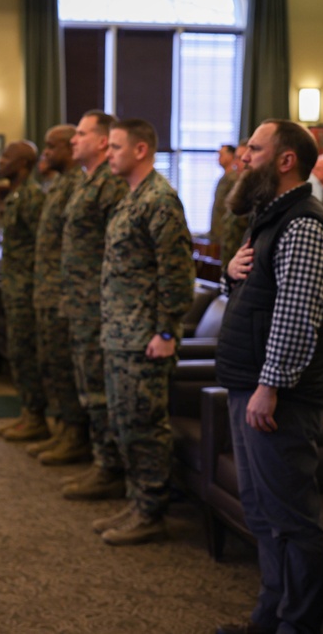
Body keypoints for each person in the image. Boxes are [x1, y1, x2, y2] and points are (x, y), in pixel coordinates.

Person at [214, 119, 323, 634]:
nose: (243, 157)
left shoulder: (304, 224)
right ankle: (270, 615)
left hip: (278, 395)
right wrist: (230, 274)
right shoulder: (270, 218)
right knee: (262, 513)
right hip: (252, 384)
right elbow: (258, 303)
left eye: (254, 149)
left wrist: (270, 386)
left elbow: (296, 313)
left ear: (285, 161)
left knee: (291, 519)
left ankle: (297, 623)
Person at [94, 118, 195, 545]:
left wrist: (166, 332)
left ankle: (152, 510)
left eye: (115, 147)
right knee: (124, 424)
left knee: (145, 427)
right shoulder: (130, 198)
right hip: (120, 334)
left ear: (140, 150)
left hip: (146, 339)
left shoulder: (160, 199)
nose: (108, 154)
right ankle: (137, 502)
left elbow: (176, 274)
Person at [56, 110, 129, 493]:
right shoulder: (88, 182)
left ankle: (109, 467)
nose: (73, 140)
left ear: (103, 141)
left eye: (82, 134)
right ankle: (99, 459)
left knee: (99, 388)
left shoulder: (111, 186)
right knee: (87, 384)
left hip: (99, 305)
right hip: (79, 301)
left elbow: (116, 250)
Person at [22, 125, 88, 460]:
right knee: (52, 365)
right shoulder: (60, 183)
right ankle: (62, 428)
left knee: (63, 366)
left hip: (63, 293)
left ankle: (74, 436)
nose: (44, 154)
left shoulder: (79, 183)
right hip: (47, 290)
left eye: (51, 147)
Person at [0, 140, 49, 441]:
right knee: (18, 352)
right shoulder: (14, 194)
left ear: (24, 164)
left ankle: (36, 417)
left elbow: (41, 246)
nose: (1, 161)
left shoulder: (31, 197)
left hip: (27, 288)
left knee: (27, 353)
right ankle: (28, 412)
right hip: (13, 286)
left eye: (7, 157)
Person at [220, 141, 251, 271]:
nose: (237, 162)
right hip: (230, 264)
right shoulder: (239, 188)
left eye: (241, 158)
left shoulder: (255, 194)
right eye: (237, 157)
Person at [210, 144, 238, 242]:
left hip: (227, 236)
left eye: (221, 154)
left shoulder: (234, 179)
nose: (219, 158)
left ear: (231, 156)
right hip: (218, 234)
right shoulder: (224, 178)